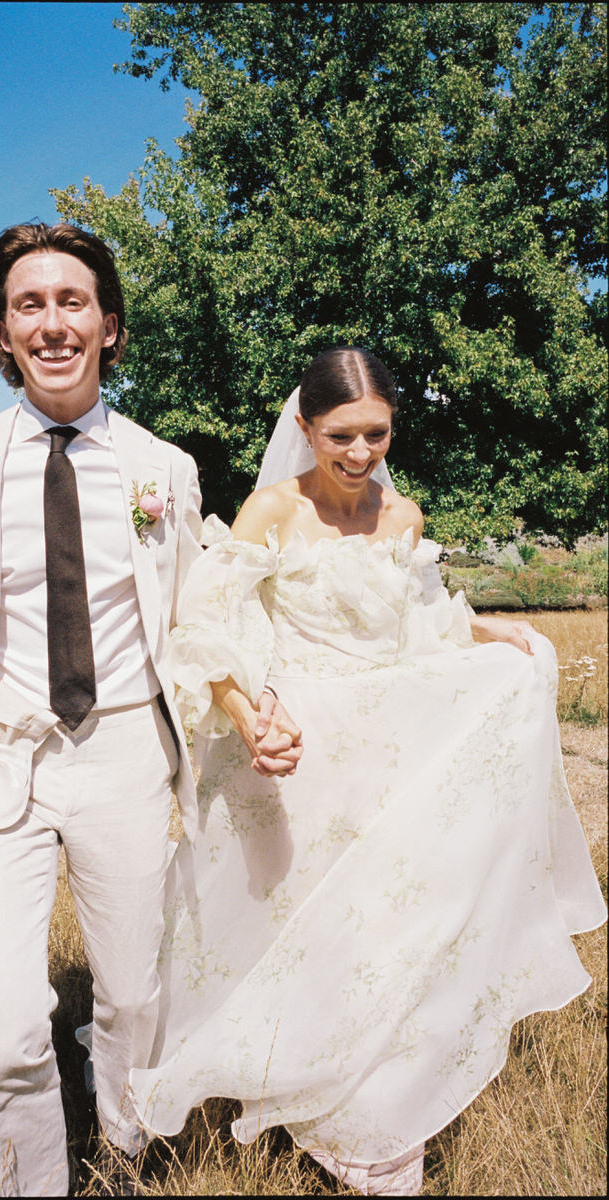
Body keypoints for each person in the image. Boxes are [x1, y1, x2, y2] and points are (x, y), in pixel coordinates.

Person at [0, 221, 300, 1198]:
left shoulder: (164, 472)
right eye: (28, 305)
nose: (51, 322)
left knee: (135, 994)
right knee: (3, 1022)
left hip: (126, 760)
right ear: (2, 334)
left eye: (71, 302)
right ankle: (31, 1186)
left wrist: (255, 705)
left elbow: (198, 619)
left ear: (108, 326)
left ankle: (124, 1149)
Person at [128, 347, 607, 1194]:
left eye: (375, 434)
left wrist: (493, 635)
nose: (358, 454)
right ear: (306, 427)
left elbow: (416, 628)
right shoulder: (271, 510)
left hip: (390, 746)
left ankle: (372, 1123)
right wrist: (249, 717)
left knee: (393, 933)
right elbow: (210, 633)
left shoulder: (405, 513)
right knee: (312, 933)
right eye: (340, 435)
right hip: (303, 746)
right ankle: (302, 1082)